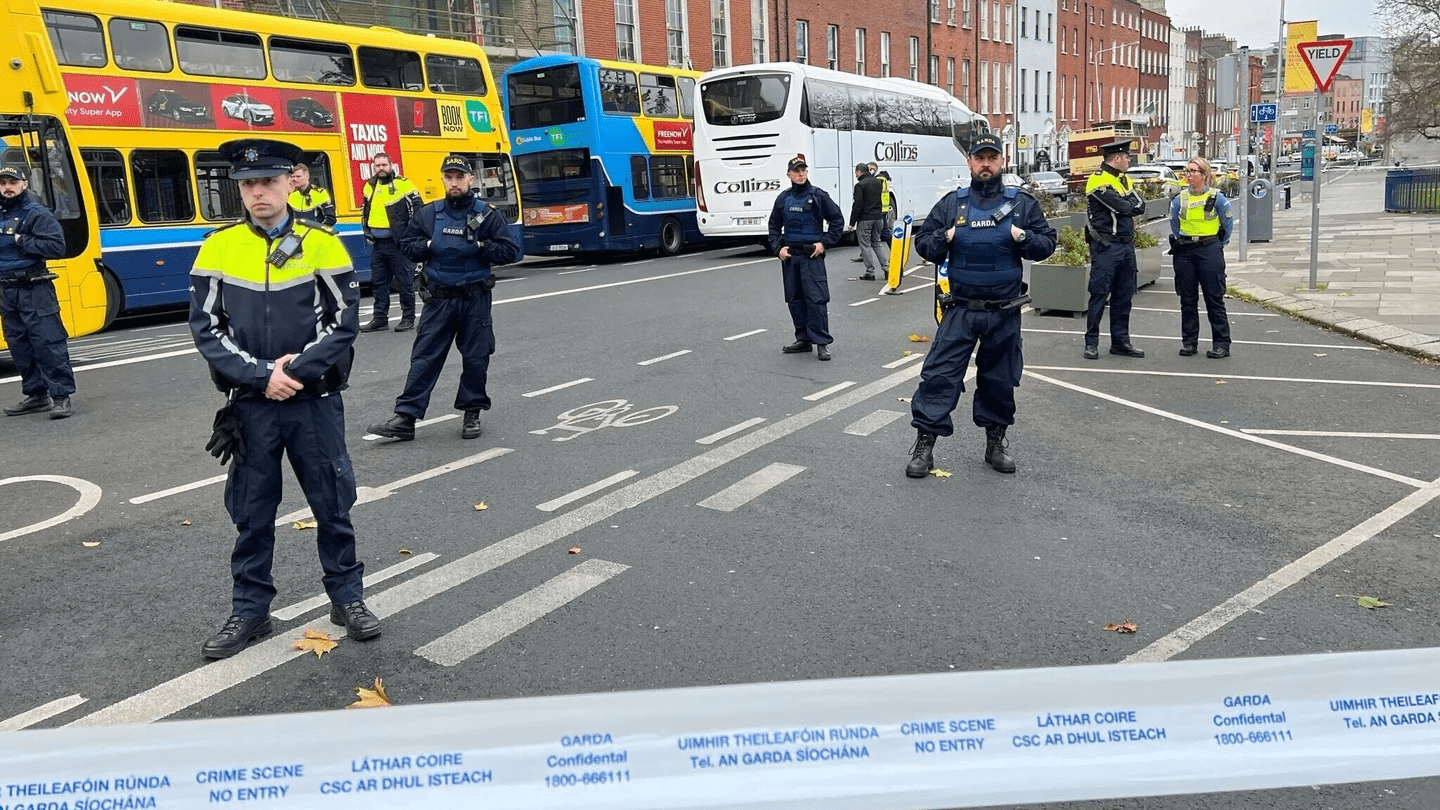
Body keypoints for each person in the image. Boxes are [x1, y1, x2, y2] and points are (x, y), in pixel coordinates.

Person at [189, 138, 378, 659]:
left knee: (332, 503)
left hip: (313, 399)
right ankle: (250, 611)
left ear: (290, 181)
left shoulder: (323, 243)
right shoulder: (218, 247)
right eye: (247, 184)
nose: (257, 192)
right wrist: (258, 376)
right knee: (252, 513)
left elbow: (343, 322)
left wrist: (294, 371)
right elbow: (206, 328)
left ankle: (347, 598)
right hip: (251, 404)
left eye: (267, 182)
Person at [904, 133, 1056, 478]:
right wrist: (944, 238)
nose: (984, 164)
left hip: (1003, 311)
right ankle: (924, 445)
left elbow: (1046, 244)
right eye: (978, 158)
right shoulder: (951, 204)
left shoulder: (1022, 204)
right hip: (961, 309)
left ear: (1001, 162)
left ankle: (995, 443)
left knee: (999, 380)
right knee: (939, 376)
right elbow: (924, 244)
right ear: (969, 163)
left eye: (991, 158)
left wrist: (1024, 237)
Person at [367, 154, 520, 442]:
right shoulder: (429, 213)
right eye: (448, 177)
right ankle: (406, 418)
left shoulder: (487, 214)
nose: (454, 182)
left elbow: (511, 251)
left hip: (474, 297)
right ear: (442, 179)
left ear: (470, 180)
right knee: (424, 358)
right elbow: (408, 246)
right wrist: (428, 244)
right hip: (439, 299)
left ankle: (472, 412)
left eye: (459, 177)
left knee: (476, 358)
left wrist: (481, 246)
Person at [0, 165, 75, 420]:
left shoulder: (36, 214)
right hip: (7, 290)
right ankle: (36, 395)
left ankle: (62, 396)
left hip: (34, 288)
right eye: (2, 183)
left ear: (23, 184)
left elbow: (56, 246)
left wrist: (22, 240)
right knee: (19, 345)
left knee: (48, 343)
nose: (7, 187)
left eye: (12, 182)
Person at [767, 154, 844, 361]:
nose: (800, 174)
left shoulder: (818, 196)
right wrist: (778, 249)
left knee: (816, 300)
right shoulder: (783, 199)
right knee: (795, 299)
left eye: (803, 170)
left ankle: (822, 343)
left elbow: (837, 220)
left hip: (812, 256)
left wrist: (824, 243)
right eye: (796, 171)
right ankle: (803, 339)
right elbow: (773, 226)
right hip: (791, 257)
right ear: (789, 174)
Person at [1082, 139, 1148, 360]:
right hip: (1106, 246)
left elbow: (1140, 206)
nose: (1129, 160)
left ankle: (1120, 342)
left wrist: (1128, 204)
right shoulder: (1097, 180)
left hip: (1125, 246)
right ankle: (1091, 343)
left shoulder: (1123, 180)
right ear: (1117, 158)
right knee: (1099, 295)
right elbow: (1122, 207)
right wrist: (1127, 203)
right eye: (1127, 157)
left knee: (1124, 296)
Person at [1169, 157, 1234, 359]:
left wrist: (1216, 245)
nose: (1188, 175)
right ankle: (1189, 343)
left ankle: (1221, 344)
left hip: (1209, 250)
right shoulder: (1180, 199)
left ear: (1204, 175)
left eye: (1193, 171)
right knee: (1187, 299)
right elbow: (1174, 224)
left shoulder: (1218, 199)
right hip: (1186, 250)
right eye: (1187, 171)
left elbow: (1227, 225)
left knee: (1214, 298)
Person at [360, 152, 422, 333]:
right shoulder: (370, 185)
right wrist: (367, 231)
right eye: (377, 166)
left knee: (405, 282)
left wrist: (410, 236)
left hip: (398, 244)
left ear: (391, 165)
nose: (381, 169)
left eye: (384, 165)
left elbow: (418, 210)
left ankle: (408, 318)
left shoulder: (404, 184)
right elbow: (365, 210)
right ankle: (380, 318)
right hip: (378, 244)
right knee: (379, 283)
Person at [849, 162, 887, 282]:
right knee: (876, 243)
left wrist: (852, 222)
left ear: (860, 171)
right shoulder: (877, 182)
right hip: (878, 217)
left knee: (865, 245)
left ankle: (870, 272)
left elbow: (857, 205)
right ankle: (887, 268)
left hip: (865, 219)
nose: (855, 175)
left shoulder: (860, 185)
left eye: (856, 172)